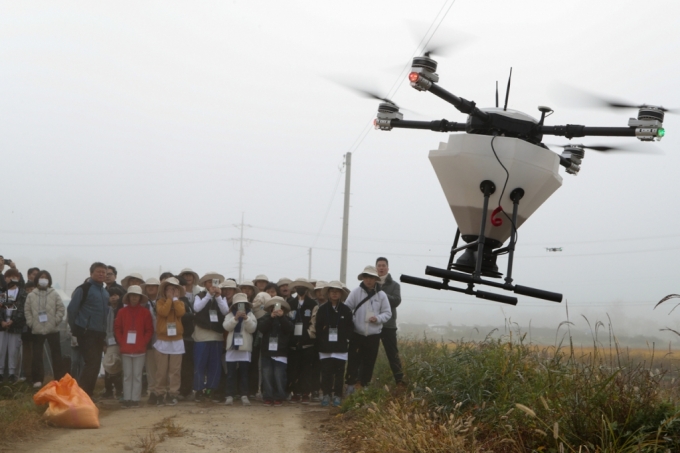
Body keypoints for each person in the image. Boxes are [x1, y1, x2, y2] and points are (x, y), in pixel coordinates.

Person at [344, 265, 392, 395]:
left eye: (371, 277)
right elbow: (347, 309)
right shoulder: (355, 292)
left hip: (373, 335)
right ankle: (350, 386)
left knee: (369, 362)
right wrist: (352, 322)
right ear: (363, 278)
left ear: (375, 279)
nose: (368, 280)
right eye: (366, 277)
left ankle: (365, 386)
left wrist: (377, 318)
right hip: (357, 334)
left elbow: (388, 313)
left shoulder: (381, 295)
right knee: (353, 361)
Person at [67, 262, 110, 397]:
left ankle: (88, 393)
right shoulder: (84, 289)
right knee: (91, 362)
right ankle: (83, 394)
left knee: (96, 364)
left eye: (104, 272)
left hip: (100, 333)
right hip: (86, 332)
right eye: (99, 271)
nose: (101, 274)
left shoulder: (104, 292)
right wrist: (75, 329)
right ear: (91, 273)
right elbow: (71, 309)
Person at [314, 281, 354, 407]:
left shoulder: (346, 310)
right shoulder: (322, 309)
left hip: (340, 347)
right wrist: (322, 340)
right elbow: (318, 327)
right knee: (326, 372)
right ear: (329, 294)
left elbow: (350, 328)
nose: (335, 294)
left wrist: (345, 339)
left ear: (341, 294)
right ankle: (326, 394)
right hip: (325, 347)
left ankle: (337, 395)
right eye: (332, 291)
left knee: (339, 373)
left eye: (337, 291)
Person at [114, 285, 154, 408]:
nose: (134, 298)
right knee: (127, 375)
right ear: (128, 297)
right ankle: (127, 398)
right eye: (132, 295)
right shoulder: (122, 312)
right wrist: (122, 341)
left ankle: (135, 398)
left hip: (140, 349)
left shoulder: (145, 312)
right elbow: (117, 328)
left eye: (137, 296)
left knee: (137, 375)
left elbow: (149, 330)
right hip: (126, 348)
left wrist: (143, 342)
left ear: (140, 298)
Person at [24, 270, 65, 387]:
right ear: (37, 279)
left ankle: (59, 379)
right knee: (36, 355)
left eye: (46, 277)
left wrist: (55, 321)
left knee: (56, 355)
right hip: (37, 330)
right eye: (41, 277)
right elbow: (27, 311)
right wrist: (31, 323)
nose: (43, 279)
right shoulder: (31, 295)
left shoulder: (55, 293)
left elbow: (61, 309)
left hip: (53, 329)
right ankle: (37, 380)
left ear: (49, 280)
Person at [192, 272, 228, 402]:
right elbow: (197, 308)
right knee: (200, 364)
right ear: (205, 284)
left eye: (214, 282)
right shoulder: (199, 296)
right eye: (209, 282)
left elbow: (225, 311)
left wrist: (218, 297)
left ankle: (211, 389)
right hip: (202, 335)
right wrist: (208, 295)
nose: (212, 285)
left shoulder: (222, 297)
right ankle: (199, 389)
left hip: (216, 335)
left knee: (215, 365)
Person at [153, 277, 186, 406]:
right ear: (164, 291)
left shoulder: (180, 303)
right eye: (169, 289)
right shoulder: (160, 302)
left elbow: (180, 313)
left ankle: (173, 394)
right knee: (161, 370)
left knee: (175, 370)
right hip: (163, 339)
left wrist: (175, 299)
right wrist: (169, 299)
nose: (172, 291)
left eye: (174, 289)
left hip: (177, 340)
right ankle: (160, 393)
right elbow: (164, 312)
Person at [286, 278, 318, 404]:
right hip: (293, 342)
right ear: (295, 289)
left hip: (307, 343)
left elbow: (314, 323)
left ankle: (306, 393)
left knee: (306, 369)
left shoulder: (312, 304)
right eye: (298, 287)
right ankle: (295, 392)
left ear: (307, 289)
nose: (300, 289)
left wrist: (308, 335)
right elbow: (287, 320)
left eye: (303, 287)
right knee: (294, 368)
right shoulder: (290, 303)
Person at [222, 292, 257, 406]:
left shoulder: (250, 314)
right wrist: (235, 318)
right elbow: (226, 327)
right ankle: (229, 395)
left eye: (243, 304)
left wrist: (246, 318)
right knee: (231, 373)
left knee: (244, 373)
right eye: (238, 304)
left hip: (245, 348)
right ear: (235, 306)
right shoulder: (229, 315)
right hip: (232, 348)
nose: (241, 306)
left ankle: (244, 395)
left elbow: (252, 329)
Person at [258, 296, 294, 407]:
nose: (276, 308)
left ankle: (279, 396)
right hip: (267, 351)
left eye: (278, 306)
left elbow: (290, 329)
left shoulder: (287, 318)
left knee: (279, 376)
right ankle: (268, 397)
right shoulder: (265, 317)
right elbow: (261, 328)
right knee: (267, 375)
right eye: (274, 306)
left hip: (281, 352)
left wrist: (282, 317)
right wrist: (271, 317)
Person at [376, 257, 404, 385]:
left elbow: (396, 301)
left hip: (389, 325)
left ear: (388, 268)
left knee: (393, 354)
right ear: (376, 268)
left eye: (383, 265)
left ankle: (400, 381)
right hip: (373, 324)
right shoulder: (370, 283)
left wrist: (381, 293)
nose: (381, 268)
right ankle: (362, 382)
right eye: (379, 265)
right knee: (368, 354)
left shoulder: (394, 285)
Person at [0, 269, 27, 382]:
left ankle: (12, 374)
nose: (11, 279)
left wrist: (13, 320)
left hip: (15, 326)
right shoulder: (2, 292)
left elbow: (22, 310)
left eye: (13, 276)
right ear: (5, 278)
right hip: (2, 325)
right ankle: (0, 372)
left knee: (13, 350)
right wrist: (2, 321)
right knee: (1, 349)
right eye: (8, 276)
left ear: (18, 278)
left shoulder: (22, 293)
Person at [175, 274, 196, 401]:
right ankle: (176, 390)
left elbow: (189, 316)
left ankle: (186, 390)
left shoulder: (186, 300)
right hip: (173, 338)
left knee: (187, 366)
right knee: (175, 367)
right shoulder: (167, 301)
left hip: (187, 338)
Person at [103, 286, 124, 399]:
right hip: (109, 341)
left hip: (121, 342)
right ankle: (109, 390)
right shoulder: (105, 310)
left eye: (116, 295)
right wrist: (104, 343)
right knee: (110, 365)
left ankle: (120, 390)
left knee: (120, 366)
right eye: (111, 295)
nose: (114, 297)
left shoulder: (122, 310)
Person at [141, 278, 160, 403]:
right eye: (149, 286)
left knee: (162, 367)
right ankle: (152, 391)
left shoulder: (163, 302)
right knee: (150, 367)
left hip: (161, 337)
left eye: (154, 286)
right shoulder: (142, 304)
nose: (151, 288)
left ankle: (161, 391)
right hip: (147, 338)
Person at [20, 279, 37, 382]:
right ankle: (28, 375)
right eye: (27, 289)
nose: (29, 291)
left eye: (32, 289)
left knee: (36, 353)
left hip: (37, 330)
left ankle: (36, 375)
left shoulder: (38, 299)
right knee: (27, 354)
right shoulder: (22, 299)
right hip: (25, 330)